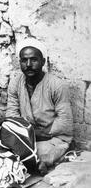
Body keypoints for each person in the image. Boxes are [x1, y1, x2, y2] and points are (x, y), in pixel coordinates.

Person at [6, 37, 73, 174]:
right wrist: (27, 134)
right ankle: (34, 163)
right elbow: (11, 115)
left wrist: (41, 134)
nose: (29, 64)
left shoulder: (56, 85)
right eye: (24, 60)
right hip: (26, 136)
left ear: (43, 61)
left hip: (53, 137)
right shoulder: (15, 83)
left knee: (31, 154)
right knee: (2, 146)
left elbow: (65, 121)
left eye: (34, 60)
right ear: (20, 62)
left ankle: (40, 161)